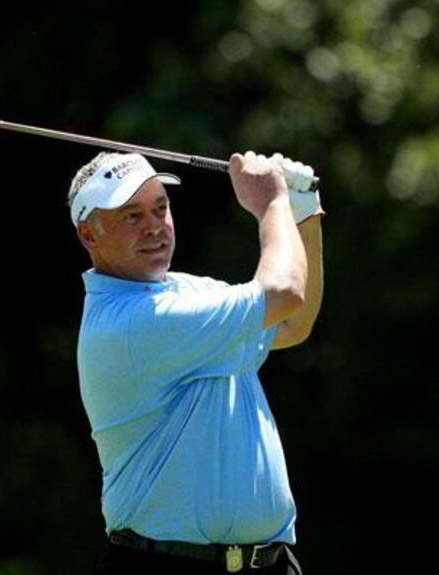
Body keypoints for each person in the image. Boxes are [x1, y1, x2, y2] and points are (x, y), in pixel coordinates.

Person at [68, 150, 324, 574]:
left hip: (269, 563)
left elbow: (293, 323)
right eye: (131, 215)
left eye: (160, 207)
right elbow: (284, 292)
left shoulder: (186, 293)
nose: (154, 226)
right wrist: (273, 203)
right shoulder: (132, 325)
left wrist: (305, 212)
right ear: (88, 235)